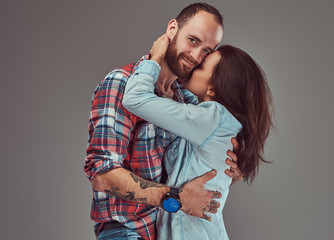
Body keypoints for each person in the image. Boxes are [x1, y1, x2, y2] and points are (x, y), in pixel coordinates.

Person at [84, 3, 243, 240]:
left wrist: (231, 167)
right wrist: (177, 198)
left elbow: (194, 168)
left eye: (207, 51)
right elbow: (102, 175)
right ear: (172, 29)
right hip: (127, 232)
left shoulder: (187, 99)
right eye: (193, 40)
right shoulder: (121, 82)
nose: (197, 56)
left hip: (167, 232)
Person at [122, 35, 273, 239]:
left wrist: (154, 59)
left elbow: (134, 99)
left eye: (202, 67)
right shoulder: (216, 123)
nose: (194, 65)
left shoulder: (210, 119)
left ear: (213, 88)